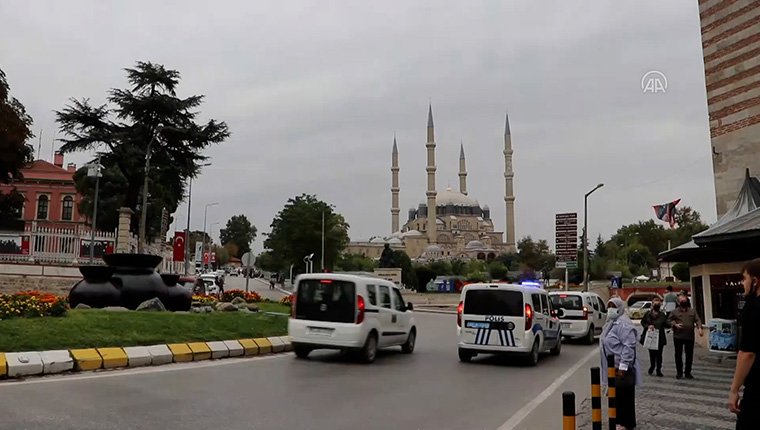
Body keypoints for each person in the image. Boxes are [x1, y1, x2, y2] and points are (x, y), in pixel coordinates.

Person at [601, 297, 642, 430]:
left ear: (620, 308)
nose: (610, 309)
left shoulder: (624, 324)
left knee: (624, 398)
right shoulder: (612, 322)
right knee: (616, 397)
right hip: (612, 367)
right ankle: (618, 421)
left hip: (621, 368)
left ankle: (625, 423)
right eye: (609, 306)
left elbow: (629, 346)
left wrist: (623, 366)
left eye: (613, 306)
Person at [729, 258, 760, 428]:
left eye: (744, 278)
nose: (743, 283)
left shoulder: (753, 307)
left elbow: (747, 353)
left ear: (755, 281)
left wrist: (734, 389)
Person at [667, 294, 704, 379]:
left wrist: (700, 328)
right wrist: (675, 324)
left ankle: (688, 372)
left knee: (689, 355)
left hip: (689, 336)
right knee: (678, 355)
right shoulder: (674, 312)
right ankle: (679, 372)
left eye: (685, 300)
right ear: (678, 302)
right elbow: (668, 320)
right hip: (678, 336)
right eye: (681, 301)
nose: (683, 302)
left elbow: (697, 320)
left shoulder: (692, 311)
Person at [641, 296, 669, 377]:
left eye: (658, 303)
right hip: (651, 336)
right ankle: (652, 365)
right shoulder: (648, 314)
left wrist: (672, 324)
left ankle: (658, 369)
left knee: (659, 355)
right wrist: (648, 326)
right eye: (655, 303)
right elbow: (642, 322)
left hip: (660, 337)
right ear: (652, 305)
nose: (657, 305)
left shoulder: (662, 315)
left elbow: (666, 324)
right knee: (652, 354)